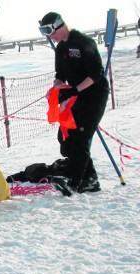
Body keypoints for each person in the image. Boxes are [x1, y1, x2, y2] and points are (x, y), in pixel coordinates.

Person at [38, 12, 109, 194]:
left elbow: (96, 74)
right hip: (76, 95)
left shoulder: (83, 43)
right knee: (66, 137)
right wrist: (56, 91)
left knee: (81, 137)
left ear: (59, 25)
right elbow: (60, 76)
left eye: (49, 31)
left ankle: (73, 181)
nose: (49, 36)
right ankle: (90, 179)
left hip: (94, 93)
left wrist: (74, 90)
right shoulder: (60, 49)